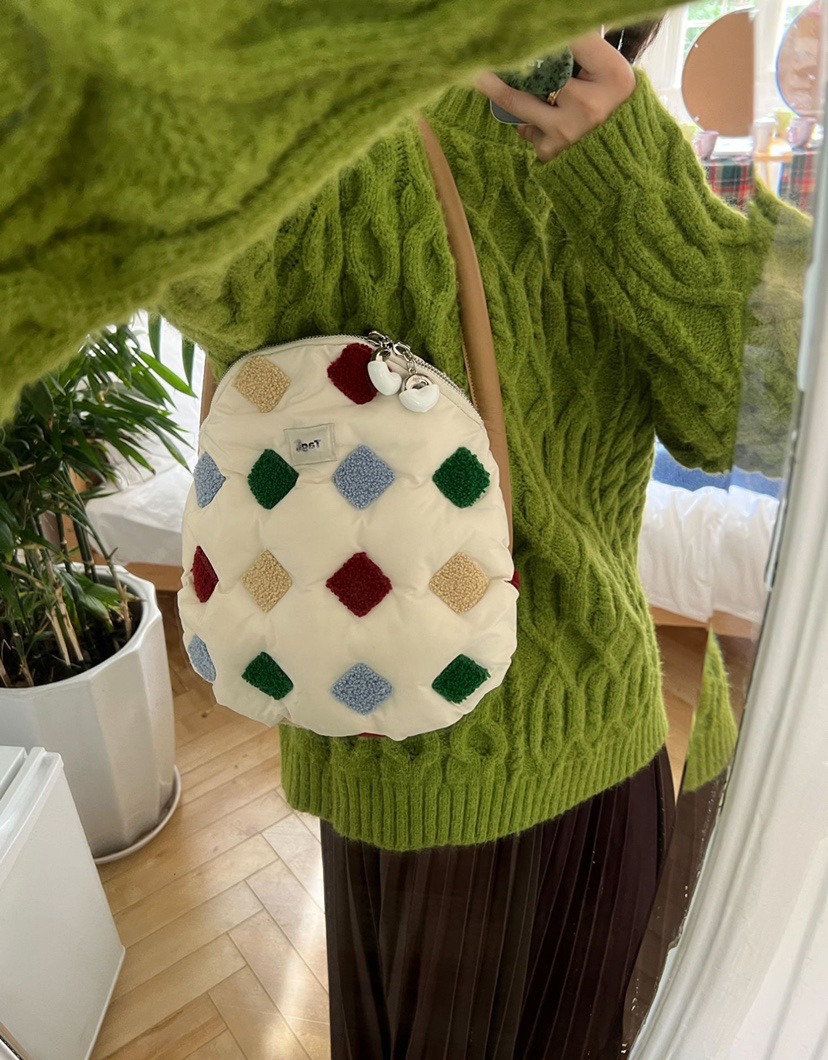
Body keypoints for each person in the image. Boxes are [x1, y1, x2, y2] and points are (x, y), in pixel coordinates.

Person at [0, 2, 810, 1057]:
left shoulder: (618, 139)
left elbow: (770, 415)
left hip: (545, 753)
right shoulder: (342, 145)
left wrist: (639, 181)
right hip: (428, 756)